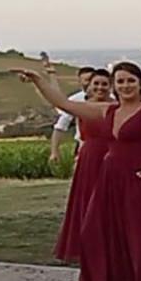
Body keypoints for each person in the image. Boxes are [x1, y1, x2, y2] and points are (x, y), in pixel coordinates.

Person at [17, 62, 141, 281]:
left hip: (139, 179)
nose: (125, 86)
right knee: (96, 233)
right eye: (120, 81)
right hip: (109, 179)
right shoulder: (108, 110)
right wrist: (38, 80)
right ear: (114, 85)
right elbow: (66, 105)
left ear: (140, 83)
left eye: (130, 80)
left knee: (139, 236)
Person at [52, 68, 112, 263]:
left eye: (104, 84)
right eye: (96, 84)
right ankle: (88, 242)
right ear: (89, 85)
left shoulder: (119, 105)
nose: (100, 87)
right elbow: (59, 112)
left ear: (110, 85)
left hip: (113, 155)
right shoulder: (80, 105)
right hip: (90, 155)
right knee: (88, 199)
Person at [49, 65, 96, 166]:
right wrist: (54, 151)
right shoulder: (75, 100)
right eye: (86, 80)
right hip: (84, 146)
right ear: (80, 82)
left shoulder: (114, 98)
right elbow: (60, 126)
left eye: (92, 80)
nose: (89, 83)